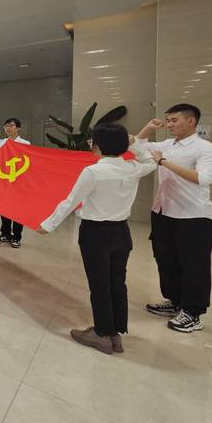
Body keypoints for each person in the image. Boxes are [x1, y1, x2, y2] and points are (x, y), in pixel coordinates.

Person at [39, 125, 156, 354]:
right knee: (117, 282)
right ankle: (115, 333)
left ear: (99, 145)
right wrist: (134, 144)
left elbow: (71, 201)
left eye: (93, 140)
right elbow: (151, 161)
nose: (90, 143)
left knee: (99, 284)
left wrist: (48, 225)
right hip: (122, 232)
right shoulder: (133, 168)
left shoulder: (93, 172)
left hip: (96, 234)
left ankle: (102, 334)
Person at [136, 104, 212, 333]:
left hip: (192, 215)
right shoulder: (167, 144)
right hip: (163, 211)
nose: (169, 124)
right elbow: (136, 147)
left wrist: (164, 162)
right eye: (168, 120)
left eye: (174, 120)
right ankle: (175, 301)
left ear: (191, 121)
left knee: (193, 264)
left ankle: (193, 312)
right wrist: (148, 128)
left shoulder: (206, 148)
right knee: (166, 259)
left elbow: (204, 179)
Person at [0, 118, 31, 247]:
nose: (8, 128)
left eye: (11, 125)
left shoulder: (25, 143)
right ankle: (5, 234)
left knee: (18, 210)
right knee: (4, 208)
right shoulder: (1, 143)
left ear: (18, 128)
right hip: (4, 180)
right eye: (6, 126)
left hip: (19, 181)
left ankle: (17, 237)